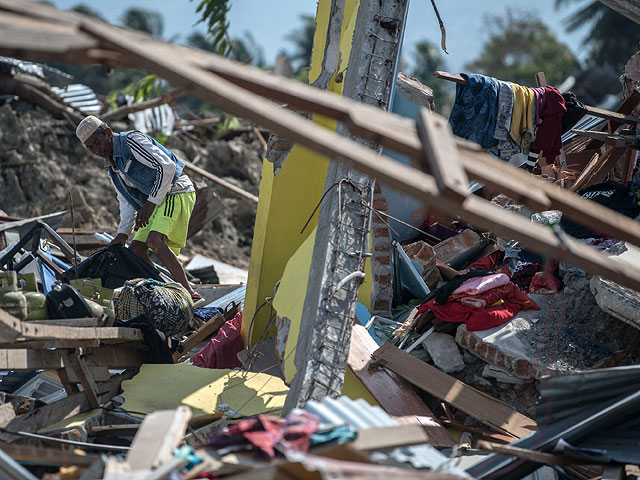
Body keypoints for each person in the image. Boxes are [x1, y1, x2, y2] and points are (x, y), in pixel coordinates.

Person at [75, 115, 202, 302]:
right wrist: (122, 234)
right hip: (155, 202)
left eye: (97, 142)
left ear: (108, 133)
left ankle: (189, 293)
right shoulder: (112, 168)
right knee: (135, 252)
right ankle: (166, 291)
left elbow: (167, 167)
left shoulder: (131, 141)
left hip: (175, 191)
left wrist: (150, 204)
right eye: (91, 148)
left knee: (154, 241)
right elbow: (126, 201)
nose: (97, 150)